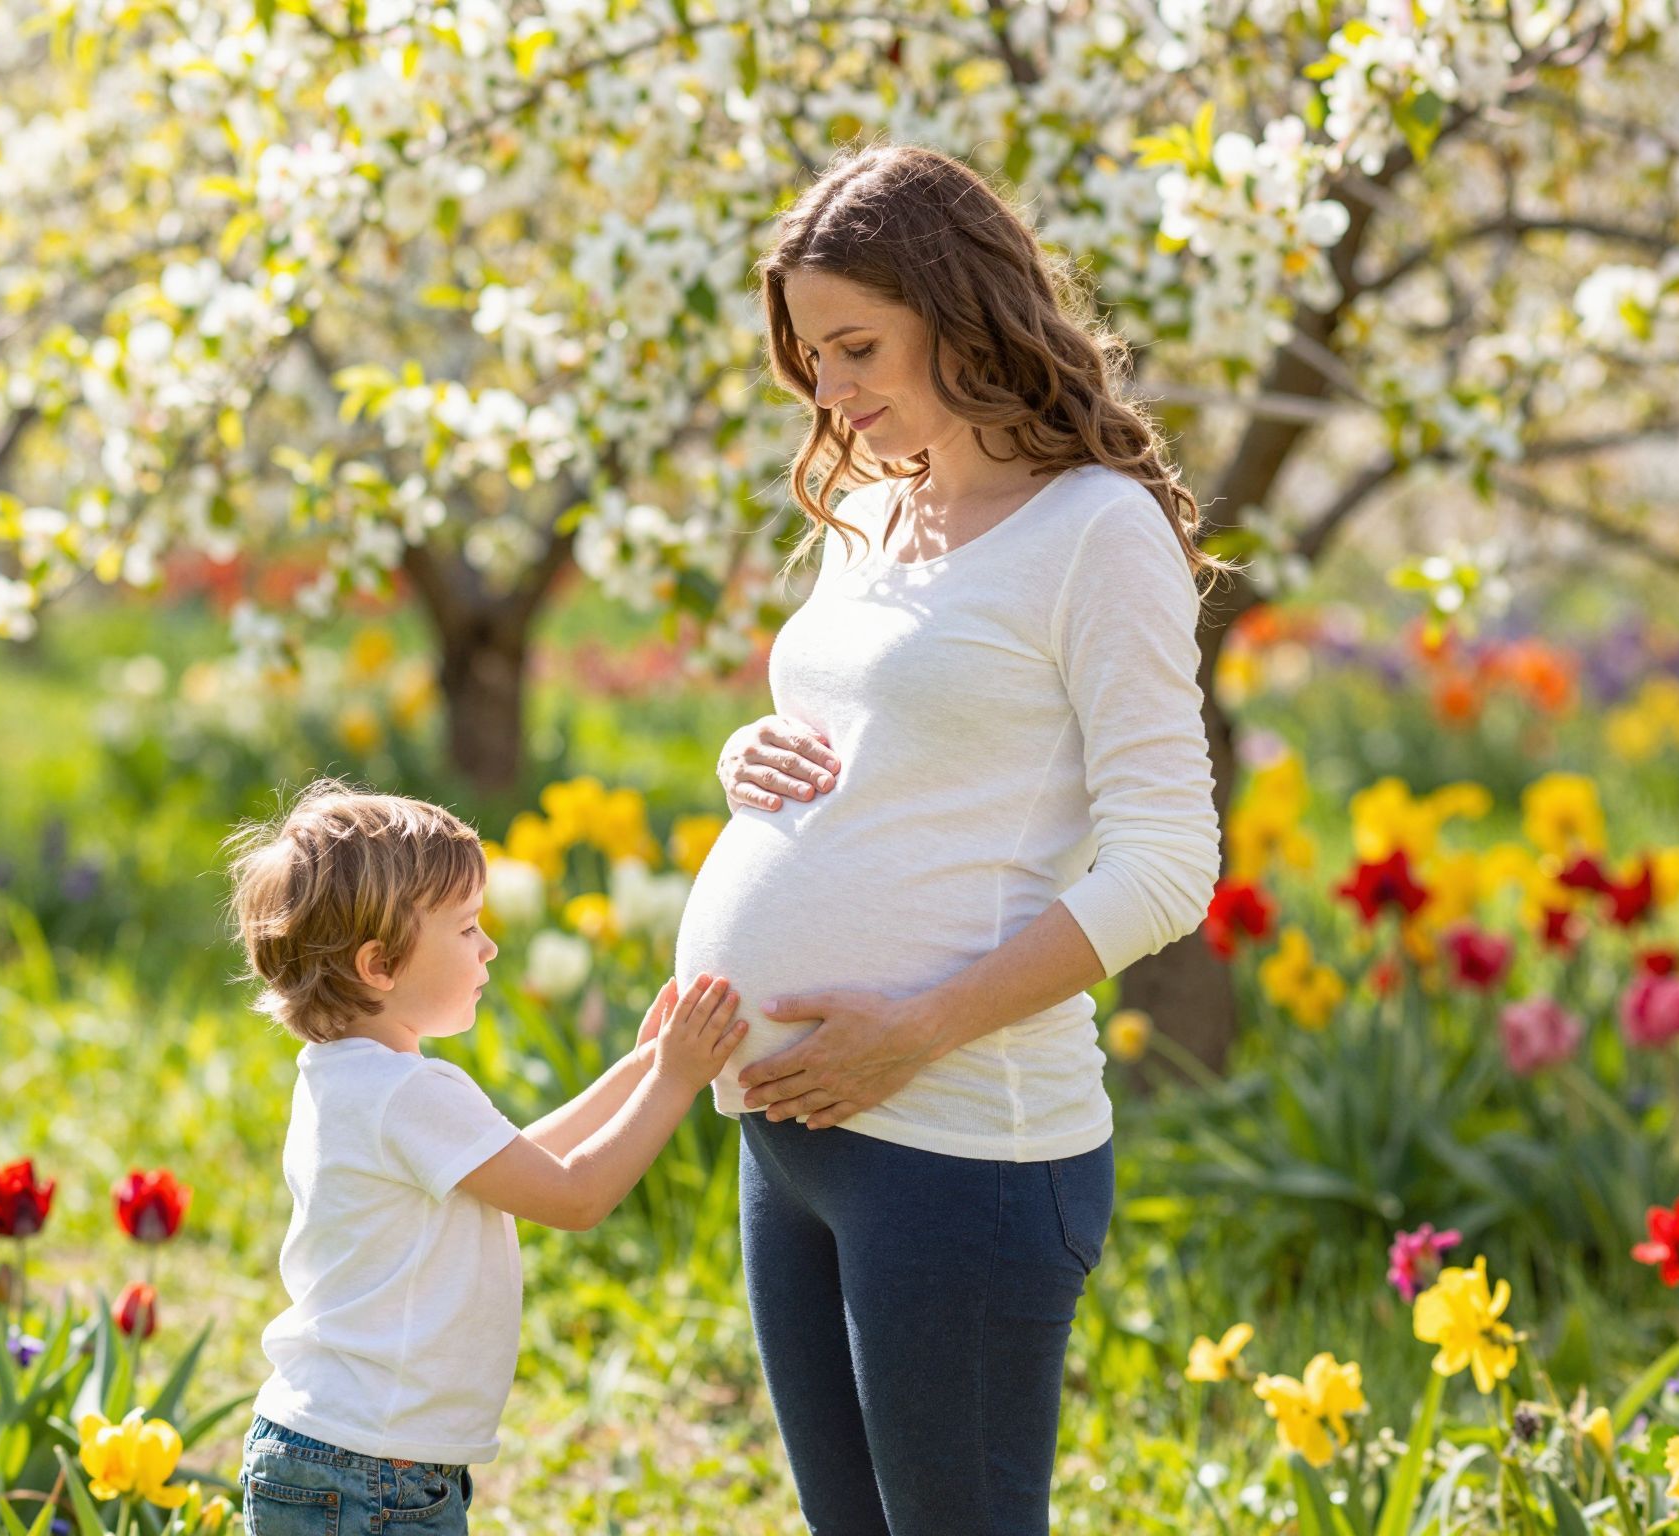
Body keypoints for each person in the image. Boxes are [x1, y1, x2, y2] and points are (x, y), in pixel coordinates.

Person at [671, 143, 1228, 1534]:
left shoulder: (1096, 531)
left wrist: (916, 1030)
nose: (834, 396)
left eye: (858, 347)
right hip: (792, 1138)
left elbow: (1168, 862)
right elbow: (900, 737)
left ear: (960, 309)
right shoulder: (872, 510)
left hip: (965, 1143)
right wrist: (751, 754)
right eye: (811, 363)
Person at [223, 778, 746, 1535]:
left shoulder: (351, 1076)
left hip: (340, 1452)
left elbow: (517, 1163)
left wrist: (639, 1069)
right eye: (467, 929)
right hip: (373, 1471)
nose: (490, 947)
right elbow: (573, 1196)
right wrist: (674, 1081)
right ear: (380, 965)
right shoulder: (408, 1092)